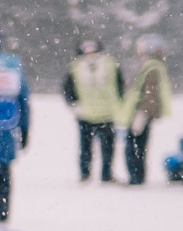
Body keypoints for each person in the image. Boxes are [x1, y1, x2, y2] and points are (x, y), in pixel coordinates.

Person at [0, 21, 29, 221]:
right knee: (2, 176)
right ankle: (1, 216)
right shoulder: (10, 65)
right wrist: (25, 130)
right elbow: (23, 100)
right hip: (5, 134)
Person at [66, 36, 126, 183]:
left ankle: (106, 174)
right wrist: (75, 105)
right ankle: (85, 173)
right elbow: (68, 89)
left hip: (107, 113)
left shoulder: (110, 64)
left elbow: (120, 86)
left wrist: (119, 105)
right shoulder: (75, 67)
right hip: (85, 113)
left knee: (107, 147)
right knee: (86, 147)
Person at [126, 33, 169, 187]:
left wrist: (142, 114)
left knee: (135, 147)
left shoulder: (151, 67)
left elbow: (151, 94)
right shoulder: (151, 65)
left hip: (140, 114)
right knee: (138, 146)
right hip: (140, 113)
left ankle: (136, 177)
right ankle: (137, 176)